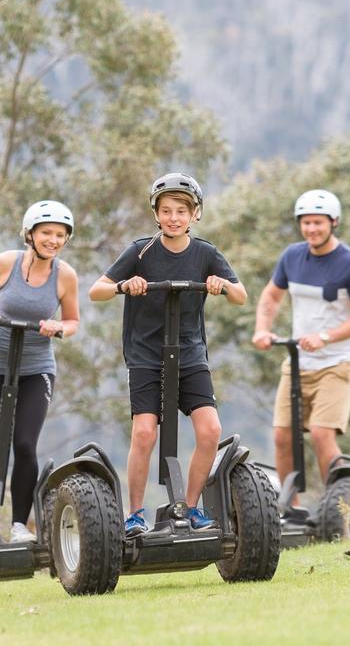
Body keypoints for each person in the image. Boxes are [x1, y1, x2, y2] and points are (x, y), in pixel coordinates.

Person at [89, 172, 247, 537]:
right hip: (146, 354)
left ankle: (189, 508)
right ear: (156, 214)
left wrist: (221, 284)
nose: (173, 217)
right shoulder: (140, 251)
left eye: (181, 211)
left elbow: (241, 295)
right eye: (166, 211)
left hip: (190, 352)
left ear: (195, 215)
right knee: (145, 432)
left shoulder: (205, 253)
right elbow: (97, 290)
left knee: (210, 430)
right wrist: (124, 285)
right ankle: (134, 515)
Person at [0, 201, 80, 550]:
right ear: (31, 234)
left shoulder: (65, 275)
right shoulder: (3, 264)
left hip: (36, 370)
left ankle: (21, 525)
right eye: (46, 233)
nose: (53, 240)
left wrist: (58, 327)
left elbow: (73, 321)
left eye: (60, 235)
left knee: (24, 444)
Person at [251, 189, 350, 491]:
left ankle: (337, 507)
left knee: (321, 434)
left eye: (318, 223)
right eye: (305, 223)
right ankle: (289, 510)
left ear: (334, 223)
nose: (311, 229)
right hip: (298, 361)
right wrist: (262, 329)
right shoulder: (292, 257)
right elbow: (271, 296)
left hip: (339, 362)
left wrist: (325, 338)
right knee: (283, 435)